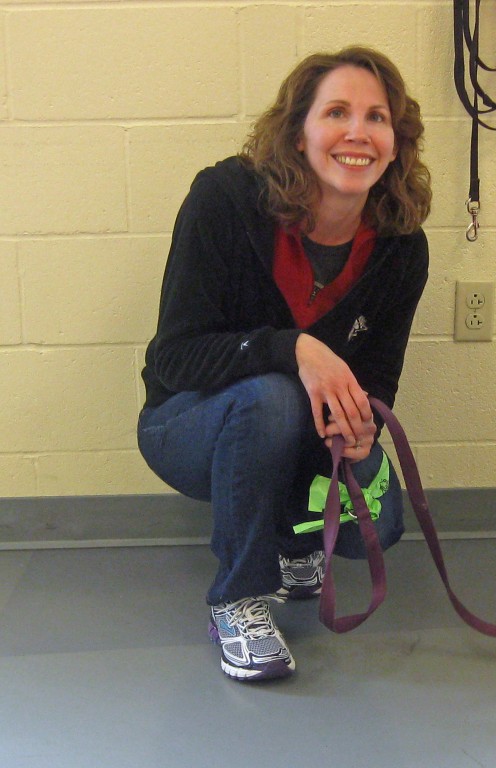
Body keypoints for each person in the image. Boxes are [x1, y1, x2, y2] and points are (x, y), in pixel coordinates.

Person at [137, 47, 431, 682]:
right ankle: (238, 598)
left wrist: (363, 431)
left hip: (301, 433)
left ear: (395, 142)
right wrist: (292, 346)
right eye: (337, 112)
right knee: (270, 395)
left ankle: (297, 545)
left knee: (378, 525)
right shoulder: (224, 199)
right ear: (298, 133)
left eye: (377, 117)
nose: (358, 133)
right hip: (185, 421)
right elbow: (175, 358)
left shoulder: (402, 245)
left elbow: (378, 377)